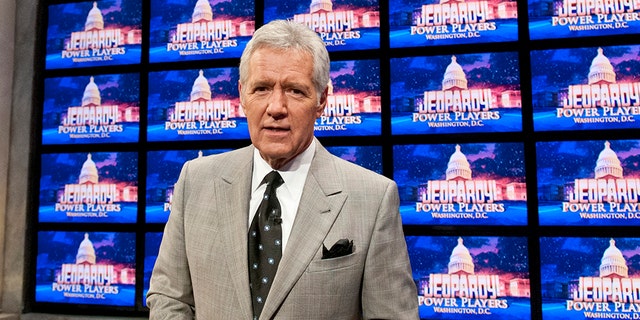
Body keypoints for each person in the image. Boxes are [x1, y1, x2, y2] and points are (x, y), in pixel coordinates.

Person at [147, 19, 419, 320]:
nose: (276, 107)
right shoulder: (195, 181)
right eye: (261, 88)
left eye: (295, 91)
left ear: (322, 100)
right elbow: (169, 296)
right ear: (241, 95)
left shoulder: (373, 198)